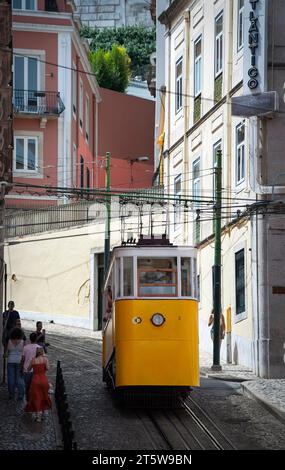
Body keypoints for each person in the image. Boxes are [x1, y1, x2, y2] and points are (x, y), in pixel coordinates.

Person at [25, 347, 52, 422]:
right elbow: (48, 368)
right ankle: (42, 412)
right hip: (43, 379)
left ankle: (38, 417)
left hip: (35, 380)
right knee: (44, 396)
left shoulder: (33, 360)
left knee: (36, 397)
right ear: (42, 352)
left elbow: (28, 369)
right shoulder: (45, 359)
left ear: (36, 352)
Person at [6, 327, 25, 401]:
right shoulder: (23, 342)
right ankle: (20, 395)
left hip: (10, 360)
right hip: (19, 361)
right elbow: (24, 353)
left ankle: (11, 394)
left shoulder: (9, 341)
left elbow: (8, 351)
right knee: (19, 378)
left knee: (10, 378)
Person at [22, 332, 38, 400]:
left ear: (30, 339)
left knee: (27, 386)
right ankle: (32, 400)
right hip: (36, 370)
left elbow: (23, 359)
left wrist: (21, 367)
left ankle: (27, 399)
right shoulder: (39, 348)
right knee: (34, 387)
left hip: (26, 370)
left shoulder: (25, 347)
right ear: (36, 339)